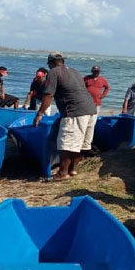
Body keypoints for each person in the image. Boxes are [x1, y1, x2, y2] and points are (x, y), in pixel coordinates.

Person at [33, 52, 96, 181]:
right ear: (62, 61)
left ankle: (62, 173)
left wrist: (39, 114)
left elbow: (48, 95)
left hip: (75, 111)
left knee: (66, 143)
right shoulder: (75, 71)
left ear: (51, 63)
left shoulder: (53, 72)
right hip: (91, 110)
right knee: (82, 143)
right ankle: (72, 170)